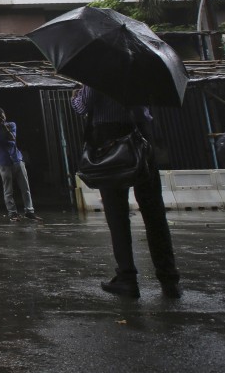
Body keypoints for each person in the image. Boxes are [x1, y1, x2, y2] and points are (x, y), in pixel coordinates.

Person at [71, 85, 181, 299]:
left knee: (117, 214)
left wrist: (75, 95)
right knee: (154, 211)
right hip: (142, 135)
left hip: (109, 138)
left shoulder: (101, 67)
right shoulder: (141, 69)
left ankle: (127, 277)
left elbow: (84, 106)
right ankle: (169, 278)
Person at [0, 108, 39, 222]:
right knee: (8, 190)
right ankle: (12, 213)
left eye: (3, 116)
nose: (2, 118)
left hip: (17, 159)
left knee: (25, 187)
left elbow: (13, 137)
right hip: (4, 161)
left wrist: (3, 126)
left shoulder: (11, 125)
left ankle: (29, 212)